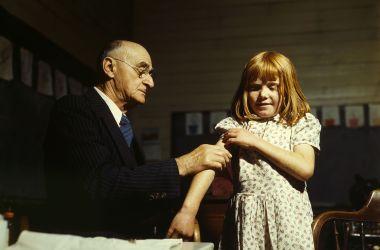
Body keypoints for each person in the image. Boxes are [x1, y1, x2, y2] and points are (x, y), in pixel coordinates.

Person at [41, 40, 232, 239]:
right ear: (109, 67)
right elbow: (99, 183)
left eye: (150, 74)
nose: (150, 82)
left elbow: (134, 187)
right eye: (142, 71)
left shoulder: (123, 124)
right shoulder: (75, 109)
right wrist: (183, 165)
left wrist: (188, 206)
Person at [167, 51, 321, 249]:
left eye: (272, 87)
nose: (263, 95)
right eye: (254, 88)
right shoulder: (237, 126)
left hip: (289, 219)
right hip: (247, 220)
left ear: (287, 89)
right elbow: (208, 166)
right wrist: (187, 211)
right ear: (245, 92)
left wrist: (255, 142)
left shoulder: (300, 122)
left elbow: (304, 168)